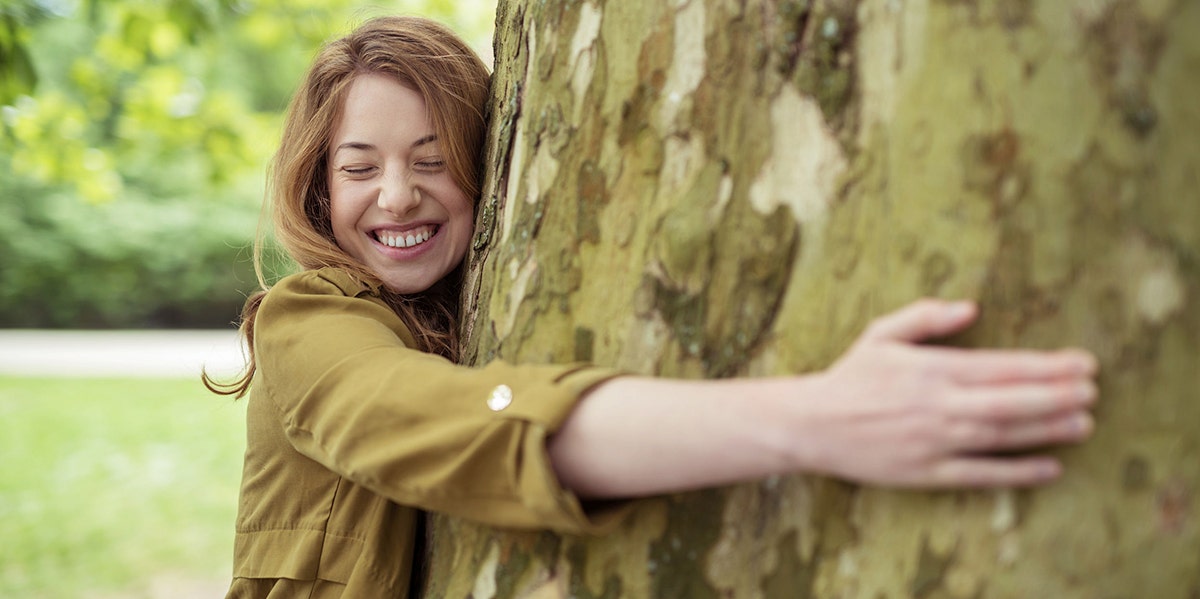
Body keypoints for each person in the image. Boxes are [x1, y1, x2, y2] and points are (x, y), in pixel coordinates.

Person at [206, 14, 1099, 598]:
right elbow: (434, 418)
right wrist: (819, 417)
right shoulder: (307, 322)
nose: (396, 195)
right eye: (360, 168)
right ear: (321, 192)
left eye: (434, 158)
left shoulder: (477, 311)